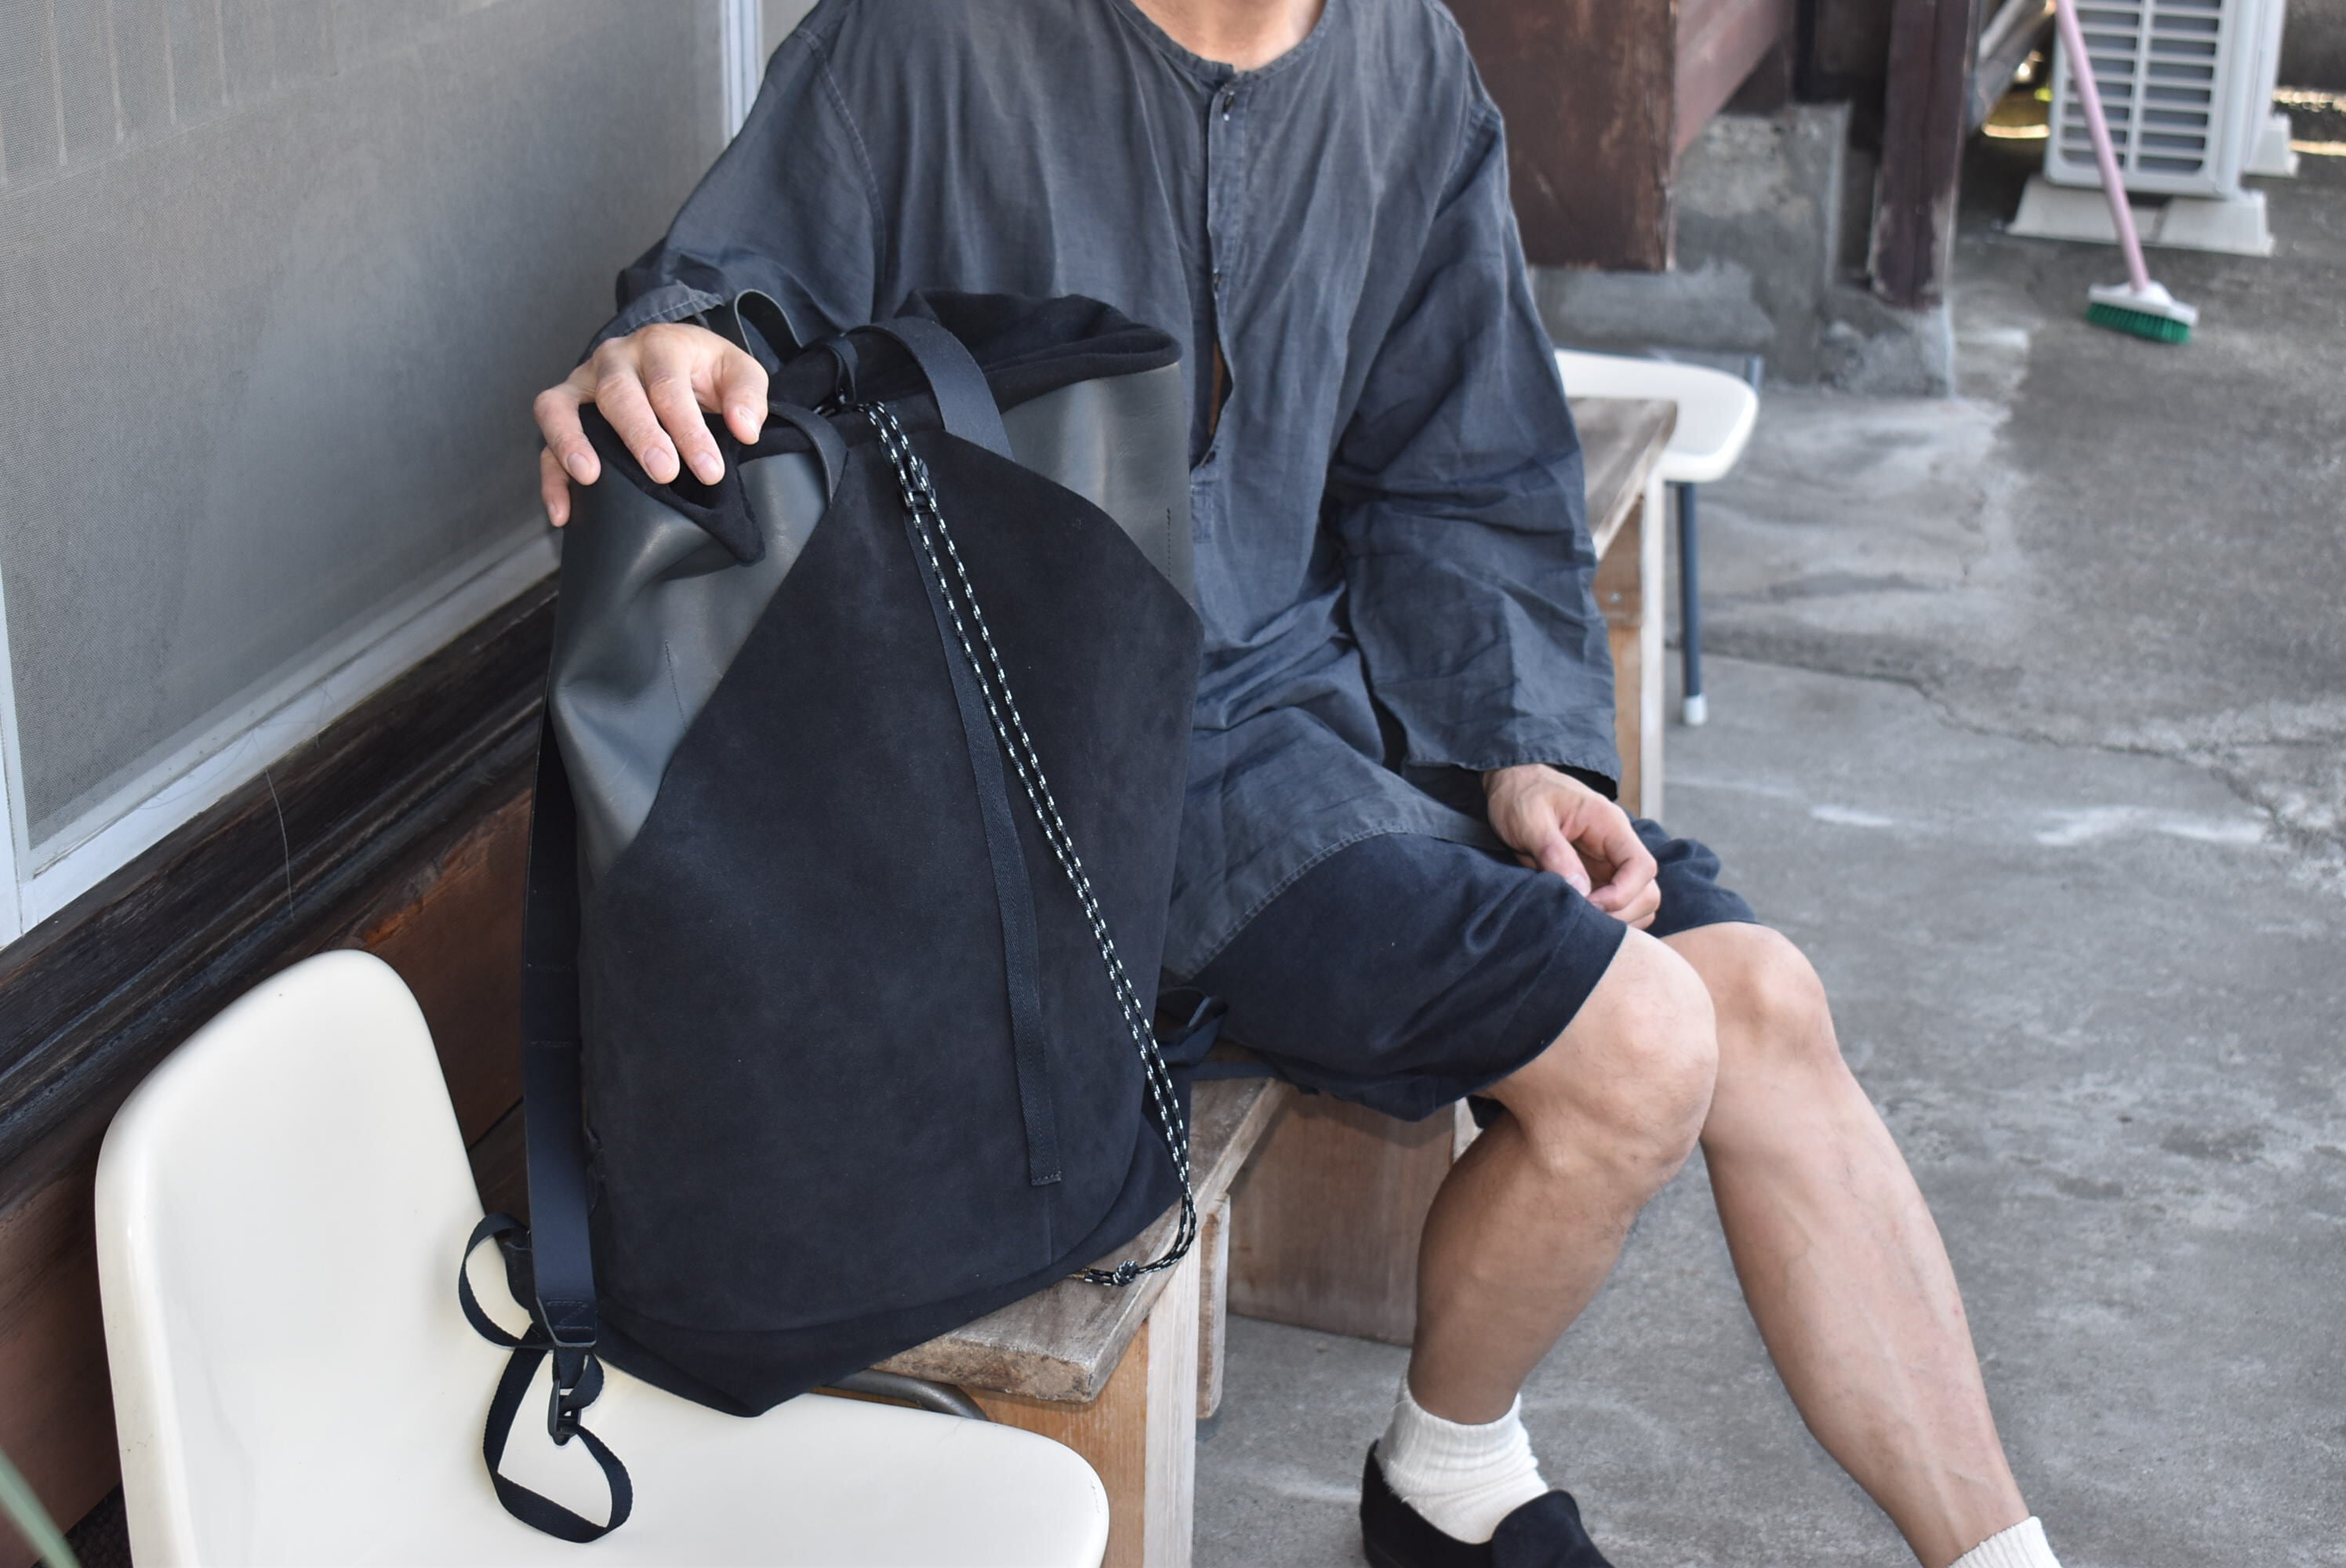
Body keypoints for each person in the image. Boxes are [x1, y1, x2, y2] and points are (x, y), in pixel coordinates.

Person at [531, 2, 2064, 1563]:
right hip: (1077, 781)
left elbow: (1463, 454)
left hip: (1330, 705)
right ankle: (1453, 1479)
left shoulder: (1401, 56)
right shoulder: (936, 36)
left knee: (1761, 1001)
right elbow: (731, 294)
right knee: (1642, 1045)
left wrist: (1520, 749)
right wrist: (671, 350)